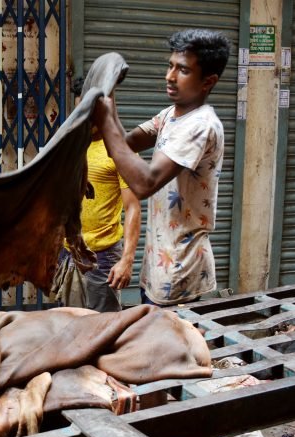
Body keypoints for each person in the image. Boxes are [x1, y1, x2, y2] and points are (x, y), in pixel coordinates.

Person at [92, 29, 231, 306]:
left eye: (183, 70)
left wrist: (105, 117)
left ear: (208, 81)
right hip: (159, 261)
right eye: (170, 66)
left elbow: (145, 183)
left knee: (170, 347)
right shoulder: (171, 115)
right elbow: (124, 144)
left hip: (181, 267)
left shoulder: (199, 126)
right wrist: (110, 95)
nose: (169, 76)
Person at [68, 77, 141, 312]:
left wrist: (127, 260)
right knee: (69, 326)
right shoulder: (70, 143)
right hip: (68, 254)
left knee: (104, 328)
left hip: (103, 256)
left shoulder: (120, 150)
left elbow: (133, 207)